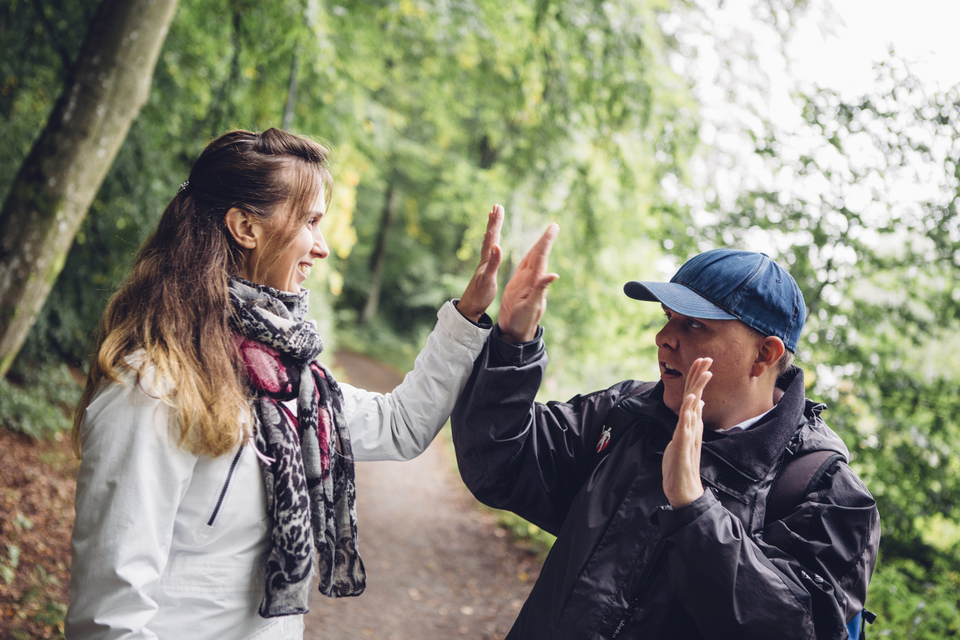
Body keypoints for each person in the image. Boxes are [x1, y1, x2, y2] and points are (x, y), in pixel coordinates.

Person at [66, 128, 510, 639]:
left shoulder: (289, 382)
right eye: (311, 222)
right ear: (245, 227)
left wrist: (469, 314)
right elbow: (108, 618)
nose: (321, 247)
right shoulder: (152, 387)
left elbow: (400, 426)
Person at [451, 229, 881, 640]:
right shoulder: (628, 415)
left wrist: (693, 509)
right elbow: (498, 466)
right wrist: (513, 341)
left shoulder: (827, 494)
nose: (663, 338)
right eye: (668, 318)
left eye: (695, 326)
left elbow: (792, 626)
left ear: (764, 354)